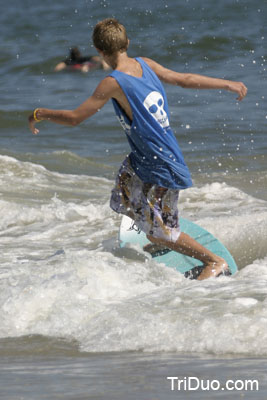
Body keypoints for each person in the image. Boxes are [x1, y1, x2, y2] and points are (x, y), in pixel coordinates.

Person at [29, 18, 247, 280]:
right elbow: (185, 79)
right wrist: (226, 83)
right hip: (144, 158)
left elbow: (76, 118)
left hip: (162, 162)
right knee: (122, 194)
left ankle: (212, 261)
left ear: (99, 51)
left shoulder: (112, 82)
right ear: (127, 43)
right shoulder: (145, 63)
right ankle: (157, 233)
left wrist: (39, 113)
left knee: (161, 230)